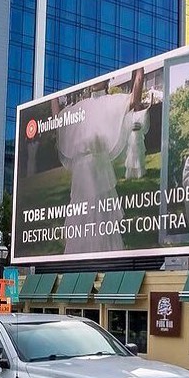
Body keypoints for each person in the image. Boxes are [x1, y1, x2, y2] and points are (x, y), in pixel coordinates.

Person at [53, 68, 144, 253]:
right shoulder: (80, 107)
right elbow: (58, 120)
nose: (95, 80)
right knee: (81, 215)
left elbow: (133, 99)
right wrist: (53, 94)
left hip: (98, 170)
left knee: (100, 214)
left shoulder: (111, 102)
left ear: (107, 80)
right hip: (81, 173)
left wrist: (139, 72)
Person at [124, 81, 152, 179]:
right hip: (132, 136)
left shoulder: (142, 113)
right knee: (131, 153)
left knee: (138, 152)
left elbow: (147, 109)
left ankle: (140, 172)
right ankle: (131, 173)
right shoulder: (130, 114)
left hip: (138, 136)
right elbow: (126, 124)